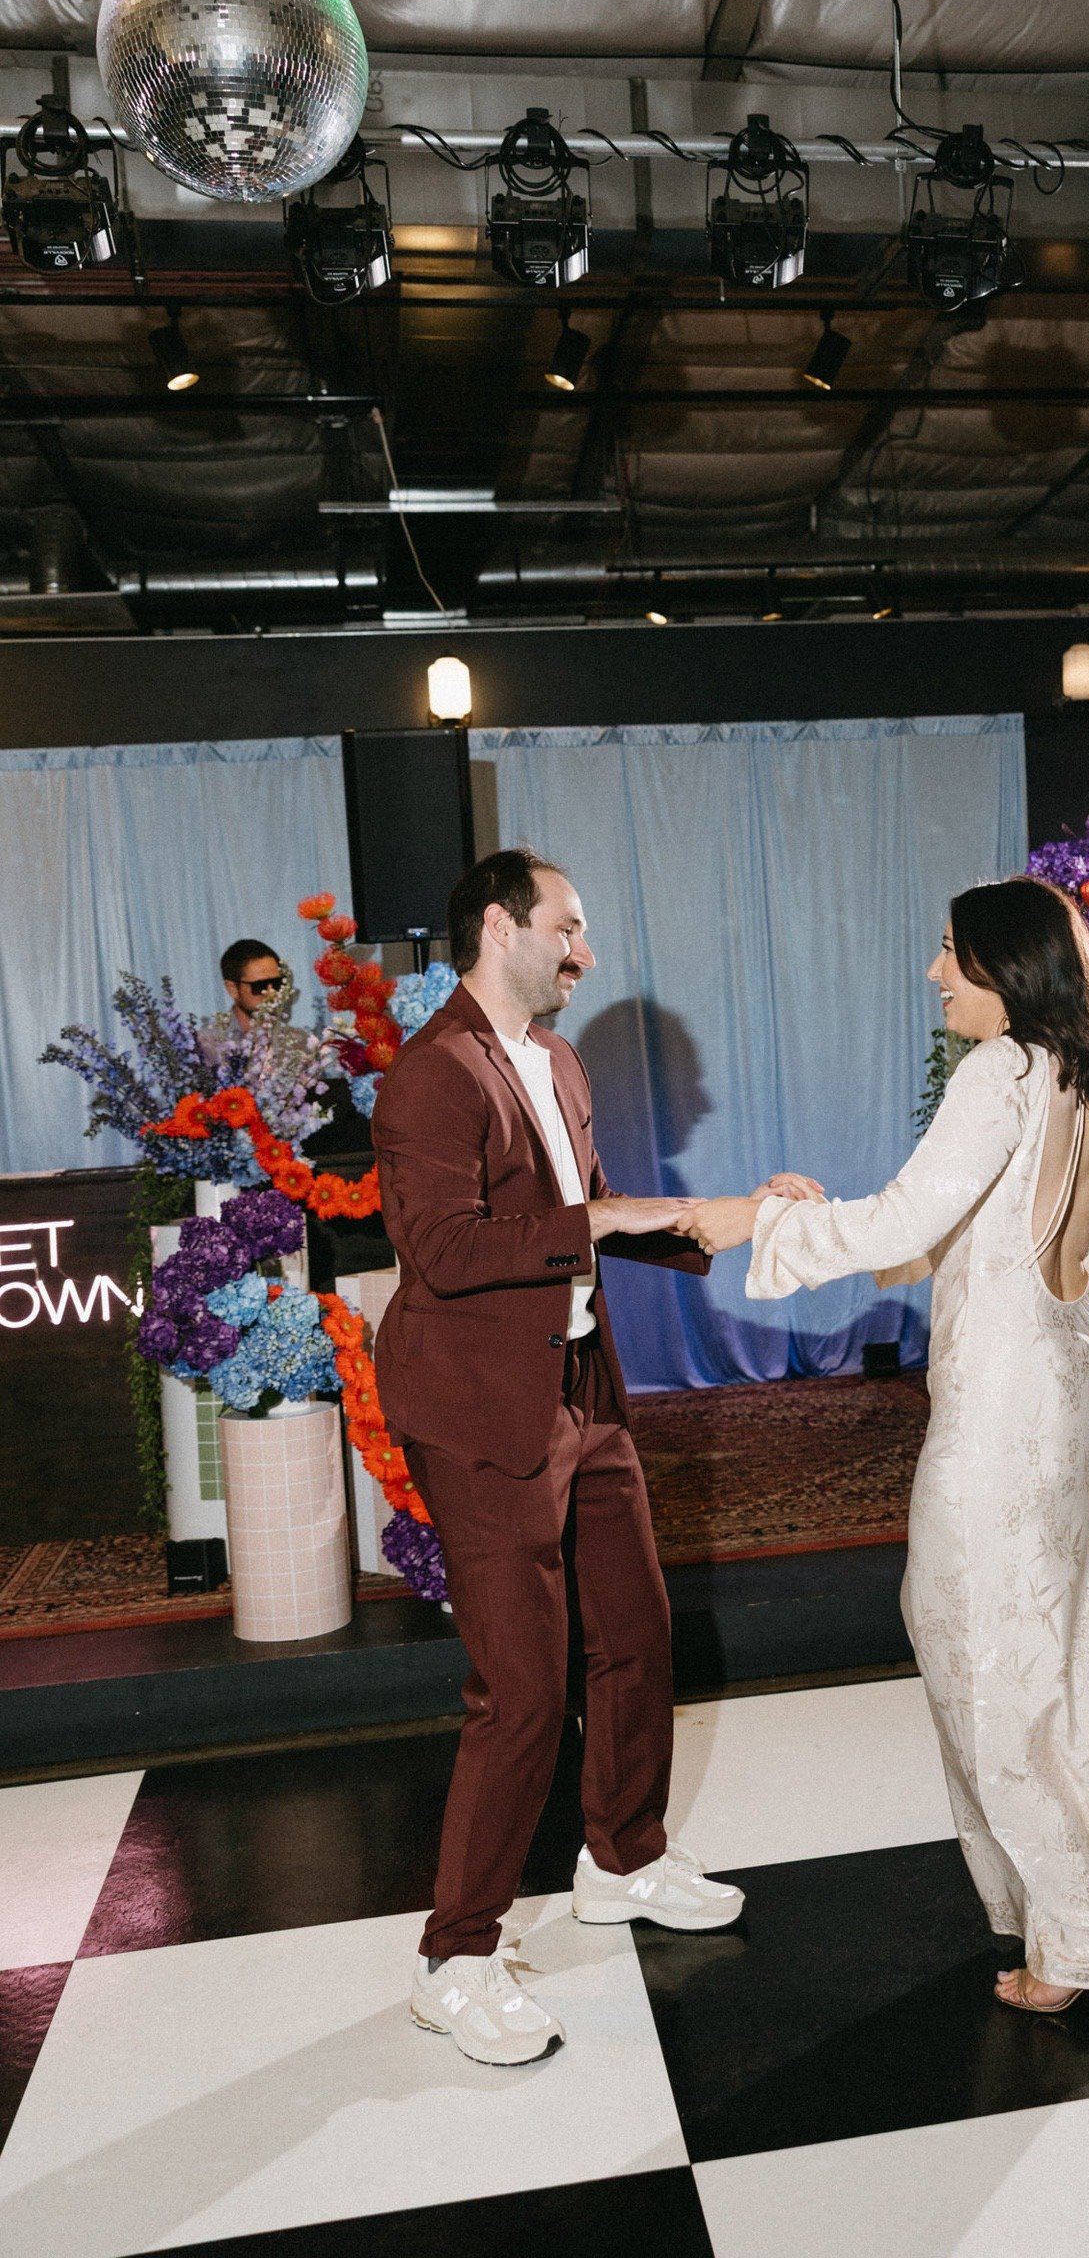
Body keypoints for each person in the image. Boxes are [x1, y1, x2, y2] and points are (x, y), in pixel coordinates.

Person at [684, 877, 1089, 2024]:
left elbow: (905, 1223)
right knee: (1048, 1660)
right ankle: (1068, 1913)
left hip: (1008, 1407)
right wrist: (810, 1210)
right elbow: (970, 1226)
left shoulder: (998, 1070)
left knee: (983, 1662)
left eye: (950, 952)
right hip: (1068, 1380)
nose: (934, 973)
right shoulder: (1085, 1067)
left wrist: (760, 1222)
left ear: (1004, 965)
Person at [372, 848, 788, 2067]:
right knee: (522, 1690)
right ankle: (453, 1956)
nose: (584, 953)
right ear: (500, 927)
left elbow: (587, 1211)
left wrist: (719, 1218)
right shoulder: (429, 1077)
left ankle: (624, 1859)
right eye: (567, 928)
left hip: (581, 1392)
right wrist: (608, 1219)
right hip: (483, 1410)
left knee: (638, 1632)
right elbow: (445, 1250)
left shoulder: (555, 1061)